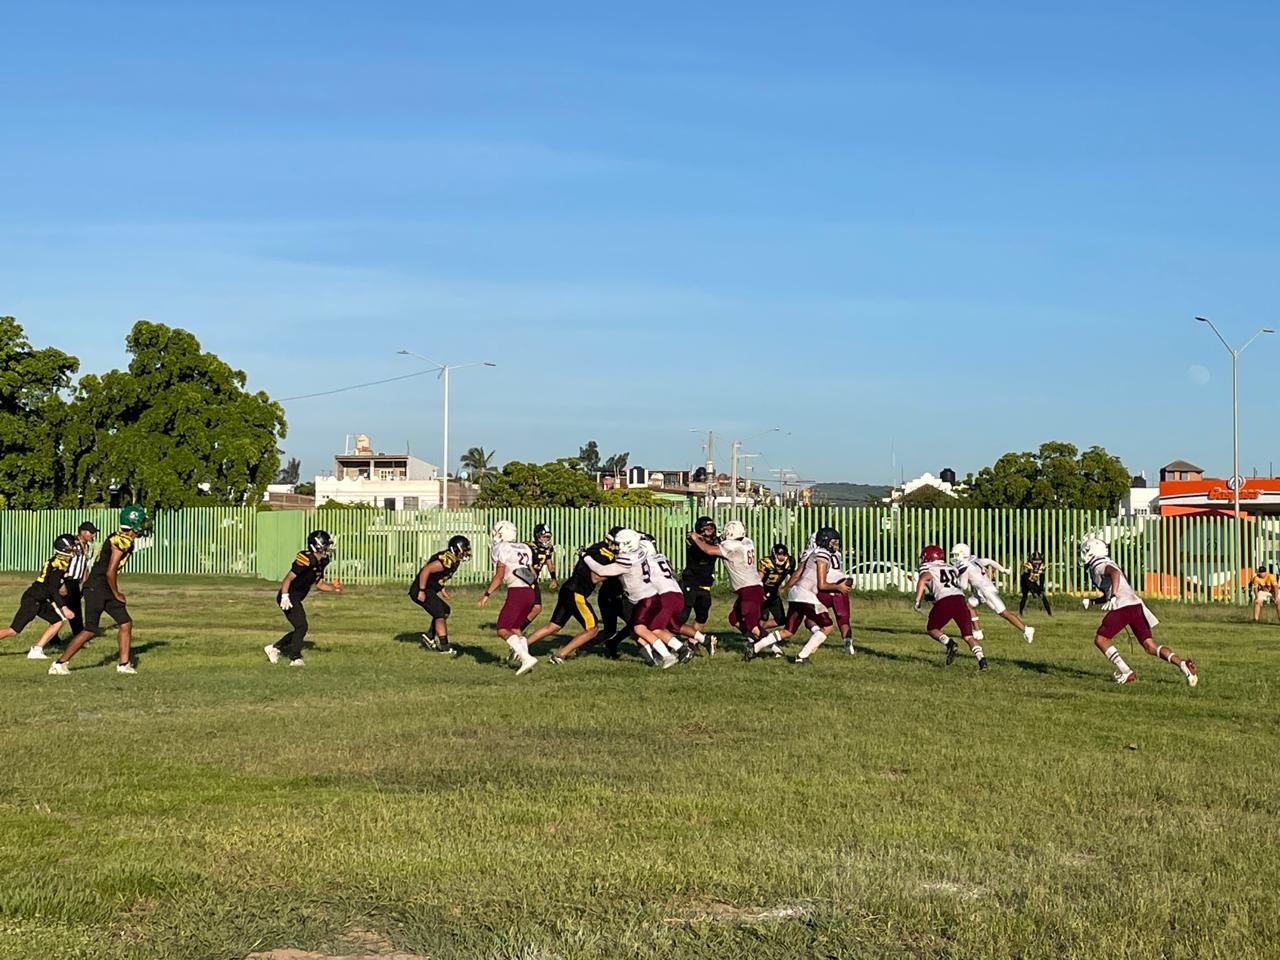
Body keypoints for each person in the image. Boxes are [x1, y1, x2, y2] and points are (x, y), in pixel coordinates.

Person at [1079, 537, 1197, 686]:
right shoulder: (1107, 563)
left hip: (1123, 606)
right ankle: (1182, 664)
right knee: (1150, 646)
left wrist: (1114, 596)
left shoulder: (1098, 565)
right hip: (1135, 605)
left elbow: (1114, 575)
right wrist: (1092, 601)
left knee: (1101, 640)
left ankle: (1125, 671)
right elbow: (1113, 590)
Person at [49, 505, 149, 676]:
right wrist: (116, 593)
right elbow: (111, 570)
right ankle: (59, 663)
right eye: (142, 521)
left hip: (102, 586)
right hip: (97, 587)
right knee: (90, 629)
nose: (144, 525)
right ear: (135, 523)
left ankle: (123, 664)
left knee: (125, 622)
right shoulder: (121, 541)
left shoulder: (122, 537)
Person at [750, 527, 848, 665]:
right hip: (806, 595)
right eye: (833, 542)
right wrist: (838, 587)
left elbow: (797, 574)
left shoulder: (812, 553)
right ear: (825, 541)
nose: (836, 545)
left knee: (788, 631)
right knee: (827, 627)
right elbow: (822, 585)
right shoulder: (823, 555)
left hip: (796, 593)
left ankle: (755, 647)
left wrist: (785, 588)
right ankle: (802, 656)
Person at [527, 529, 626, 662]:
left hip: (569, 588)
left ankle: (519, 647)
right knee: (592, 629)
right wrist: (618, 570)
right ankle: (560, 655)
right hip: (576, 592)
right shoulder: (605, 554)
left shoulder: (597, 547)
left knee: (554, 626)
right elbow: (596, 577)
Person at [611, 529, 692, 668]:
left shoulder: (639, 559)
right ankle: (673, 651)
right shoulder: (660, 557)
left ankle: (673, 652)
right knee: (655, 627)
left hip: (654, 596)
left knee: (647, 629)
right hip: (674, 593)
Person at [263, 529, 342, 667]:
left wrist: (334, 589)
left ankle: (275, 648)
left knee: (300, 628)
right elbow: (288, 579)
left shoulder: (322, 561)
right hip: (288, 595)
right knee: (301, 626)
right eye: (326, 545)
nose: (328, 548)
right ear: (316, 545)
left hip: (296, 597)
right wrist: (285, 596)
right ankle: (295, 658)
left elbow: (320, 584)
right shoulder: (306, 559)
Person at [687, 519, 764, 651]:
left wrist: (696, 539)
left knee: (752, 624)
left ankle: (771, 646)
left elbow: (709, 550)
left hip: (748, 588)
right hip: (753, 586)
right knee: (734, 618)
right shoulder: (747, 542)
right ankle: (753, 639)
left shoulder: (731, 546)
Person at [28, 521, 98, 659]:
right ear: (83, 532)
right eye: (91, 532)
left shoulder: (86, 546)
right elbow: (64, 562)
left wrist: (85, 581)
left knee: (72, 609)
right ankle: (75, 637)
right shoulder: (72, 545)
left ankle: (69, 637)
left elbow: (84, 565)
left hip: (76, 581)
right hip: (67, 580)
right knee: (67, 609)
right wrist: (62, 583)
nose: (93, 535)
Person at [477, 520, 538, 675]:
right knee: (515, 628)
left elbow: (499, 575)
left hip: (517, 591)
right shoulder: (525, 547)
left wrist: (486, 594)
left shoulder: (501, 547)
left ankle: (526, 658)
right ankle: (525, 659)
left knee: (502, 629)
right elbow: (534, 574)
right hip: (530, 592)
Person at [913, 543, 986, 670]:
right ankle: (982, 660)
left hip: (944, 601)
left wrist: (917, 600)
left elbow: (923, 579)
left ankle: (949, 643)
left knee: (932, 628)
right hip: (959, 600)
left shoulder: (929, 568)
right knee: (968, 636)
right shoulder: (952, 568)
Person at [0, 534, 79, 650]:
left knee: (57, 621)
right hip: (33, 599)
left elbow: (52, 586)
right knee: (14, 630)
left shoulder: (60, 560)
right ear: (64, 548)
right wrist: (63, 607)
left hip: (40, 599)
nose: (74, 548)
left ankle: (37, 650)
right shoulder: (59, 564)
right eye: (72, 546)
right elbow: (52, 588)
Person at [951, 543, 1034, 644]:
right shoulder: (974, 560)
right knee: (969, 606)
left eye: (956, 555)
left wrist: (954, 581)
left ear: (963, 554)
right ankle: (977, 631)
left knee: (1003, 613)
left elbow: (963, 586)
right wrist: (1003, 570)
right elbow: (990, 561)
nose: (954, 557)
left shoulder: (966, 567)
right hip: (981, 590)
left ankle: (1026, 629)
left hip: (986, 591)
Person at [409, 535, 471, 654]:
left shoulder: (454, 560)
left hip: (429, 589)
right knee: (439, 613)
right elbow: (426, 570)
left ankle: (429, 635)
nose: (466, 552)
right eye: (464, 549)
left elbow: (438, 576)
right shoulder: (446, 560)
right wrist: (421, 590)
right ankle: (444, 646)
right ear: (456, 549)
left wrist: (441, 588)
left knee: (445, 610)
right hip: (421, 589)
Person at [675, 516, 719, 654]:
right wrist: (696, 538)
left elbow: (710, 549)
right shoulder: (692, 540)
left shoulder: (713, 542)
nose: (709, 531)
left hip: (705, 584)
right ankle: (672, 640)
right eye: (706, 528)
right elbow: (701, 548)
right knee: (682, 617)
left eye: (711, 528)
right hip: (691, 582)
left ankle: (692, 642)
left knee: (702, 615)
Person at [522, 522, 558, 630]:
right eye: (544, 537)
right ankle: (512, 627)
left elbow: (549, 563)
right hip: (523, 578)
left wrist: (553, 578)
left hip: (533, 579)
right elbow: (524, 562)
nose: (546, 539)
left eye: (548, 537)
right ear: (537, 536)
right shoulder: (528, 546)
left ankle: (519, 628)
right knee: (523, 605)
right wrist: (531, 571)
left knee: (537, 608)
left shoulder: (548, 548)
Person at [758, 543, 795, 630]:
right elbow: (758, 579)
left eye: (784, 554)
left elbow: (794, 576)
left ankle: (760, 631)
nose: (782, 557)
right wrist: (758, 593)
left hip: (774, 594)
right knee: (763, 617)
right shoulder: (766, 562)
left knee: (781, 620)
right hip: (763, 592)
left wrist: (785, 587)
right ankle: (757, 635)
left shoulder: (789, 563)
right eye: (779, 554)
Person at [1019, 551, 1052, 616]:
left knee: (1043, 596)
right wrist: (1032, 591)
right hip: (1025, 582)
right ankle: (1020, 612)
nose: (1037, 563)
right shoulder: (1027, 565)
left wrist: (1041, 587)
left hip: (1033, 581)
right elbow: (1026, 578)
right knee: (1025, 597)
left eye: (1038, 561)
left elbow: (1042, 577)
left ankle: (1049, 613)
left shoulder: (1042, 566)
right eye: (1035, 561)